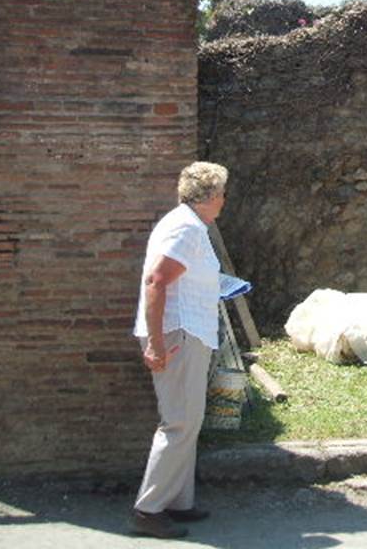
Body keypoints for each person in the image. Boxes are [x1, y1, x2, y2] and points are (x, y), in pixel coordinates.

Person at [130, 161, 228, 540]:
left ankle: (177, 501)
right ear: (208, 196)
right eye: (221, 193)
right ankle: (148, 509)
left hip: (187, 334)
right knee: (180, 422)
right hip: (178, 335)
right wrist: (155, 343)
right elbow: (156, 281)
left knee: (188, 420)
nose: (223, 200)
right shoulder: (186, 228)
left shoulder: (189, 225)